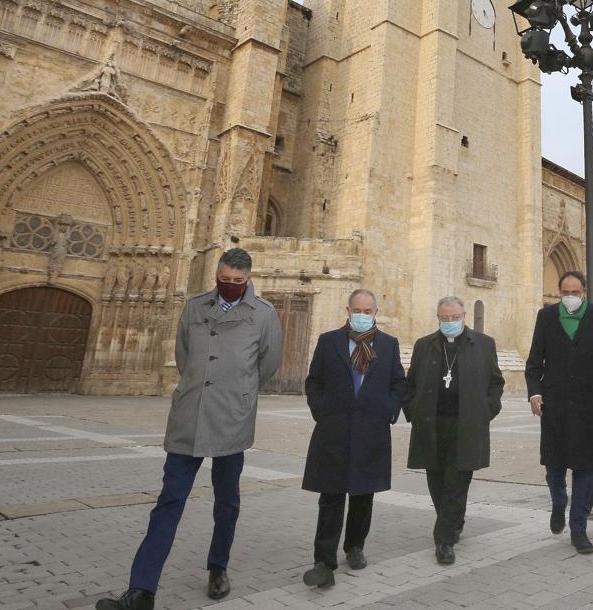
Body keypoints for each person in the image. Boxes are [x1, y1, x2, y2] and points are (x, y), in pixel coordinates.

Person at [96, 248, 283, 610]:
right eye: (223, 280)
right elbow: (184, 356)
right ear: (217, 275)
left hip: (231, 418)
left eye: (237, 282)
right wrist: (200, 384)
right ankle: (141, 590)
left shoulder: (264, 315)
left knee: (226, 502)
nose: (229, 286)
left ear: (248, 279)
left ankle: (218, 567)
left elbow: (268, 365)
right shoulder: (196, 307)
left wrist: (237, 392)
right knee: (169, 501)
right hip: (191, 415)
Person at [300, 289, 408, 589]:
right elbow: (314, 381)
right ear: (347, 310)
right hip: (334, 430)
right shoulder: (329, 341)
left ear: (375, 312)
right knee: (331, 495)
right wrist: (321, 411)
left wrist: (388, 411)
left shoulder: (388, 345)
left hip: (370, 431)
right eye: (357, 310)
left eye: (367, 311)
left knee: (363, 494)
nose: (362, 315)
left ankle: (355, 546)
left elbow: (399, 383)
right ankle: (323, 560)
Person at [525, 270, 593, 554]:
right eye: (564, 293)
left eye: (575, 292)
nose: (570, 297)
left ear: (584, 292)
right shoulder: (546, 318)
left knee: (585, 470)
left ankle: (579, 529)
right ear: (559, 293)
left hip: (589, 408)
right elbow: (534, 364)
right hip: (553, 407)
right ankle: (558, 503)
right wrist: (535, 393)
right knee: (554, 468)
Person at [403, 296, 505, 565]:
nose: (450, 322)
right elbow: (410, 383)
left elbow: (496, 382)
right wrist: (412, 411)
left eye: (455, 318)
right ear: (438, 318)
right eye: (444, 318)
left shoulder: (483, 344)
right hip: (432, 425)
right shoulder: (425, 345)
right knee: (437, 482)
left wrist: (486, 411)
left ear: (464, 317)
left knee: (457, 483)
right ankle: (453, 521)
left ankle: (444, 540)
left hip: (467, 426)